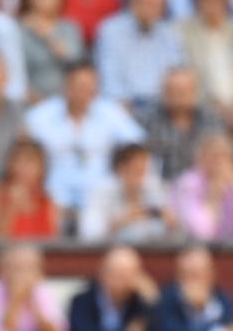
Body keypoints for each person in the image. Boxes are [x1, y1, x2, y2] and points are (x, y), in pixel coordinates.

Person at [26, 60, 147, 215]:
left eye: (89, 88)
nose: (84, 93)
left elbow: (139, 146)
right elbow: (24, 151)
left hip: (100, 198)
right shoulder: (40, 116)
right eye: (79, 86)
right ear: (67, 86)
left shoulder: (111, 113)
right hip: (53, 196)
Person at [95, 0, 186, 112]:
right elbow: (109, 78)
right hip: (123, 105)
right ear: (134, 2)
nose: (153, 9)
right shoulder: (111, 30)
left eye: (158, 4)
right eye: (148, 2)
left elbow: (176, 73)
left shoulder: (170, 34)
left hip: (162, 108)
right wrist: (122, 103)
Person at [172, 132, 233, 241]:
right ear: (200, 159)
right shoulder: (189, 184)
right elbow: (201, 233)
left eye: (224, 156)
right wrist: (213, 198)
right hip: (200, 251)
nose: (220, 162)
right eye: (214, 156)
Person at [146, 246, 233, 331]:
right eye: (189, 274)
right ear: (178, 276)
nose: (195, 280)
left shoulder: (223, 298)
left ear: (212, 274)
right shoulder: (166, 300)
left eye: (200, 273)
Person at [0, 243, 67, 331]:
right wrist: (15, 300)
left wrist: (33, 303)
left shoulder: (45, 292)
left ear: (39, 272)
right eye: (17, 267)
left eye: (30, 268)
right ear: (1, 270)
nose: (23, 274)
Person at [80, 143, 175, 243]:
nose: (143, 178)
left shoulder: (155, 188)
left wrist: (172, 225)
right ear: (121, 169)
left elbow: (174, 236)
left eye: (146, 170)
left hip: (151, 253)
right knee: (123, 257)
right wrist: (121, 222)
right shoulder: (102, 191)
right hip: (110, 252)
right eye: (138, 171)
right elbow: (90, 234)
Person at [144, 67, 224, 183]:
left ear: (195, 91)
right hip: (162, 187)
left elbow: (221, 157)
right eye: (172, 91)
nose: (178, 96)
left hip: (203, 188)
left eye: (183, 90)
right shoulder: (149, 120)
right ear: (164, 92)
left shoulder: (210, 119)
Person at [67, 244, 158, 331]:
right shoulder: (81, 302)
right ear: (102, 273)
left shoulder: (140, 304)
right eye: (115, 274)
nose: (120, 281)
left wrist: (152, 302)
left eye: (126, 275)